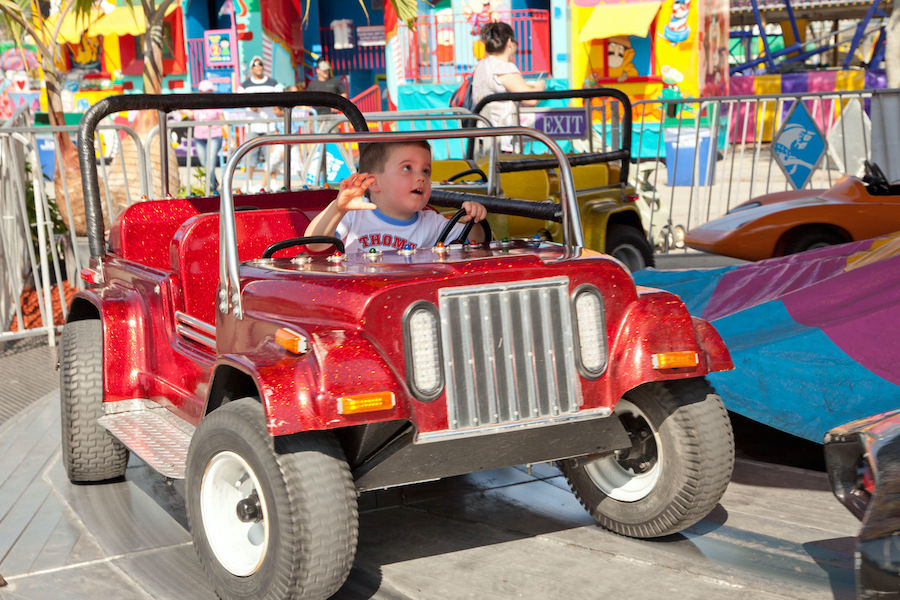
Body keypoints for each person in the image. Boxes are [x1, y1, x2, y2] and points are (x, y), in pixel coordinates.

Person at [304, 140, 486, 253]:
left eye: (426, 171)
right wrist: (338, 208)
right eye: (407, 168)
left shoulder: (432, 223)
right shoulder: (354, 214)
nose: (421, 177)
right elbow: (315, 244)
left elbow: (475, 241)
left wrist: (474, 218)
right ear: (373, 183)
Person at [472, 21, 545, 153]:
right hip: (502, 140)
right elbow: (530, 99)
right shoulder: (503, 67)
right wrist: (540, 86)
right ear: (510, 42)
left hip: (483, 137)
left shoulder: (482, 65)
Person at [238, 55, 283, 189]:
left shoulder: (273, 83)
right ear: (251, 69)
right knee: (250, 155)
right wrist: (250, 106)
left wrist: (273, 107)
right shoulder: (245, 85)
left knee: (272, 155)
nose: (258, 67)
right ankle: (248, 182)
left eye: (260, 64)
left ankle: (273, 181)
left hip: (269, 124)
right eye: (255, 65)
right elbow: (239, 100)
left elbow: (280, 98)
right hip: (252, 125)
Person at [185, 79, 226, 194]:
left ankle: (211, 189)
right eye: (204, 92)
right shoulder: (196, 103)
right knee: (204, 163)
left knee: (210, 163)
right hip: (199, 137)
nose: (207, 94)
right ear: (200, 92)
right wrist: (177, 107)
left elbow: (223, 121)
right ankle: (214, 183)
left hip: (214, 135)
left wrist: (230, 139)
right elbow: (191, 115)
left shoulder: (216, 103)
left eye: (209, 91)